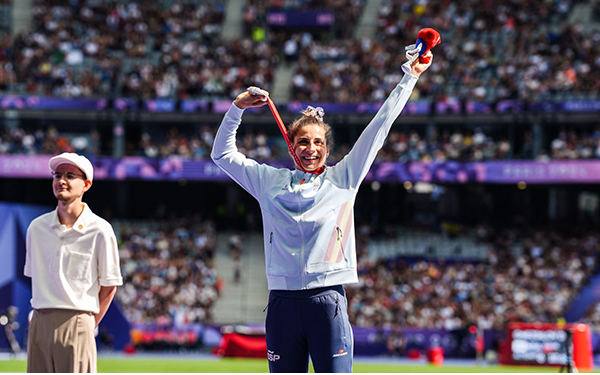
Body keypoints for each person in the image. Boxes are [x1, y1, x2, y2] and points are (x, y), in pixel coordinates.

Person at [211, 51, 433, 373]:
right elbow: (222, 153)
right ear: (291, 146)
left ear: (327, 149)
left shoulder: (344, 178)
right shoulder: (268, 182)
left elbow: (380, 128)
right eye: (303, 142)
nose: (311, 149)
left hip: (327, 301)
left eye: (318, 143)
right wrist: (237, 108)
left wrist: (409, 77)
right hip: (282, 304)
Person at [24, 152, 123, 373]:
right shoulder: (36, 228)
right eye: (57, 175)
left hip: (78, 319)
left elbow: (109, 286)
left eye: (70, 175)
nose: (61, 181)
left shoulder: (100, 230)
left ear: (86, 184)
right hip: (39, 320)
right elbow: (35, 278)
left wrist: (87, 324)